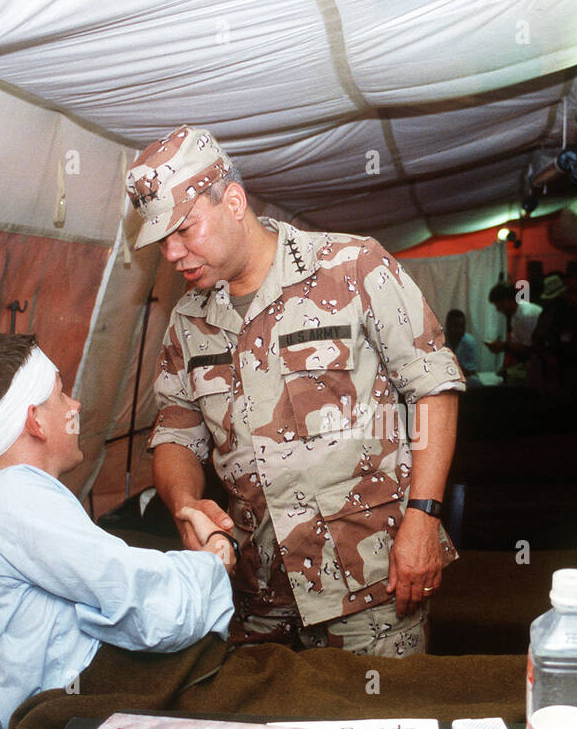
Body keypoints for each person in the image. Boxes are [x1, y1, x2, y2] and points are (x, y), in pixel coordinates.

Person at [127, 125, 464, 658]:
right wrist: (186, 504)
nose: (172, 253)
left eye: (185, 230)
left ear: (233, 201)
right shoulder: (188, 321)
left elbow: (433, 388)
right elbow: (175, 433)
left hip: (370, 584)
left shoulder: (352, 267)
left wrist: (424, 516)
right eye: (161, 241)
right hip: (259, 597)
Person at [0, 333, 235, 729]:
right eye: (61, 393)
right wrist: (215, 557)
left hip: (65, 705)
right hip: (85, 704)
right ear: (34, 421)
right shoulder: (12, 497)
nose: (75, 405)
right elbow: (136, 597)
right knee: (316, 687)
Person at [485, 279, 542, 383]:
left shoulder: (527, 314)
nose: (497, 309)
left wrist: (503, 346)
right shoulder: (515, 315)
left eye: (498, 305)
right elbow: (517, 345)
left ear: (506, 300)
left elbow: (529, 348)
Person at [445, 309, 482, 389]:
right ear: (447, 326)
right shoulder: (439, 341)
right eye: (454, 326)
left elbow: (471, 370)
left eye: (461, 326)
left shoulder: (470, 341)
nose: (458, 330)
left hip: (463, 377)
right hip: (443, 379)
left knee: (476, 382)